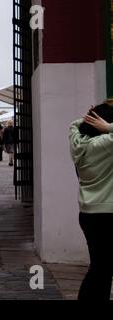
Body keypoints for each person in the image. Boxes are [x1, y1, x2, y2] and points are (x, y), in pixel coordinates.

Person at [69, 102, 113, 301]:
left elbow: (73, 125)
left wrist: (89, 116)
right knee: (102, 270)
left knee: (99, 268)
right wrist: (108, 127)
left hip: (88, 214)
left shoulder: (77, 141)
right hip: (108, 213)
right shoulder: (105, 143)